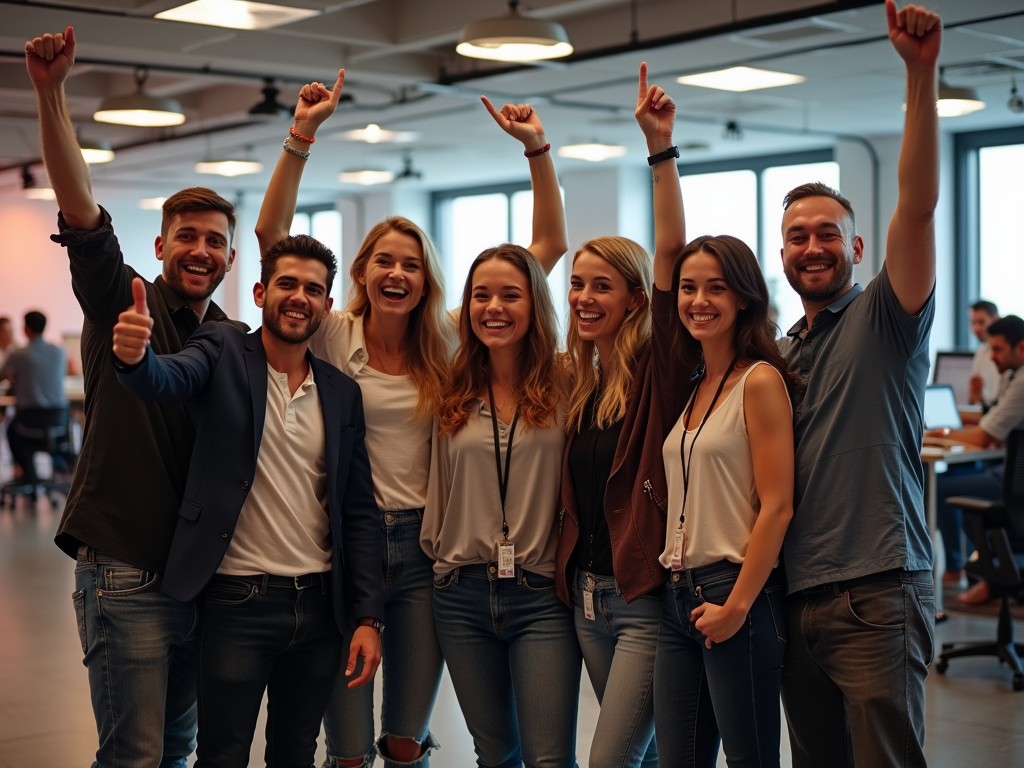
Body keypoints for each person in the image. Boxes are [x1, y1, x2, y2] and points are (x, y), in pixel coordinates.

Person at [254, 76, 567, 768]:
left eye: (412, 265)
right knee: (347, 744)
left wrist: (536, 150)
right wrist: (302, 133)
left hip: (427, 555)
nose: (397, 273)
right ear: (362, 272)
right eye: (384, 261)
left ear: (427, 280)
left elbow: (544, 248)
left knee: (403, 737)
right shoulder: (333, 334)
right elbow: (274, 237)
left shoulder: (452, 341)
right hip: (348, 547)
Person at [26, 25, 246, 767]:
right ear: (161, 246)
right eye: (187, 236)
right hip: (124, 568)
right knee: (135, 756)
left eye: (215, 240)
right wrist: (52, 94)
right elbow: (81, 207)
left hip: (197, 577)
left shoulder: (230, 338)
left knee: (177, 749)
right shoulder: (123, 295)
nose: (200, 250)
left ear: (230, 257)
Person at [111, 236, 384, 767]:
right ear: (261, 292)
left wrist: (369, 616)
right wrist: (135, 360)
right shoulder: (221, 350)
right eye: (286, 283)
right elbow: (170, 378)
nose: (299, 297)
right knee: (223, 753)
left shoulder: (341, 392)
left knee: (295, 754)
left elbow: (358, 513)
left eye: (313, 289)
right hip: (239, 601)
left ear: (328, 307)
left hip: (320, 606)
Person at [776, 3, 942, 767]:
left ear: (857, 245)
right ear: (782, 252)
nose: (813, 246)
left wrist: (919, 74)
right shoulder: (779, 352)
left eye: (827, 233)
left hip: (877, 589)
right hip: (795, 595)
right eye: (797, 235)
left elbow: (919, 201)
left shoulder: (886, 315)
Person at [552, 63, 693, 768]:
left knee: (611, 759)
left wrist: (660, 149)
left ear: (636, 299)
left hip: (641, 599)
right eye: (577, 284)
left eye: (601, 286)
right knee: (641, 754)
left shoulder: (656, 373)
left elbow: (672, 256)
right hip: (582, 598)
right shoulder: (578, 379)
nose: (582, 297)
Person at [422, 244, 579, 768]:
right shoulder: (453, 388)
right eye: (480, 296)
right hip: (459, 592)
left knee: (549, 758)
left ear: (535, 304)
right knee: (494, 755)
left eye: (510, 295)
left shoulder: (569, 380)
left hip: (541, 594)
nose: (494, 307)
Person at [654, 231, 795, 768]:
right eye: (688, 288)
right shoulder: (698, 385)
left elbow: (778, 504)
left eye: (715, 287)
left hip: (736, 589)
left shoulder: (759, 382)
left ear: (743, 297)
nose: (698, 301)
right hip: (678, 595)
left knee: (749, 758)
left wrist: (736, 606)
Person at [933, 315, 1024, 604]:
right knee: (963, 475)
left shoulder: (1022, 381)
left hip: (1015, 484)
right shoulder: (1014, 376)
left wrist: (940, 435)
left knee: (940, 486)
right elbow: (992, 420)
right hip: (1011, 475)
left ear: (1021, 348)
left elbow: (985, 437)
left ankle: (965, 569)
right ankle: (985, 569)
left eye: (997, 350)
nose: (991, 357)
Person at [0, 310, 69, 491]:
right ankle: (52, 471)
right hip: (58, 423)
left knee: (11, 431)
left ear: (26, 329)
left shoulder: (18, 354)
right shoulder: (60, 351)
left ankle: (29, 477)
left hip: (28, 423)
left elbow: (2, 376)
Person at [969, 299, 1002, 408]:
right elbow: (976, 398)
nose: (976, 328)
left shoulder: (1010, 351)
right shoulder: (981, 353)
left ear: (996, 319)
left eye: (981, 322)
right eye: (973, 322)